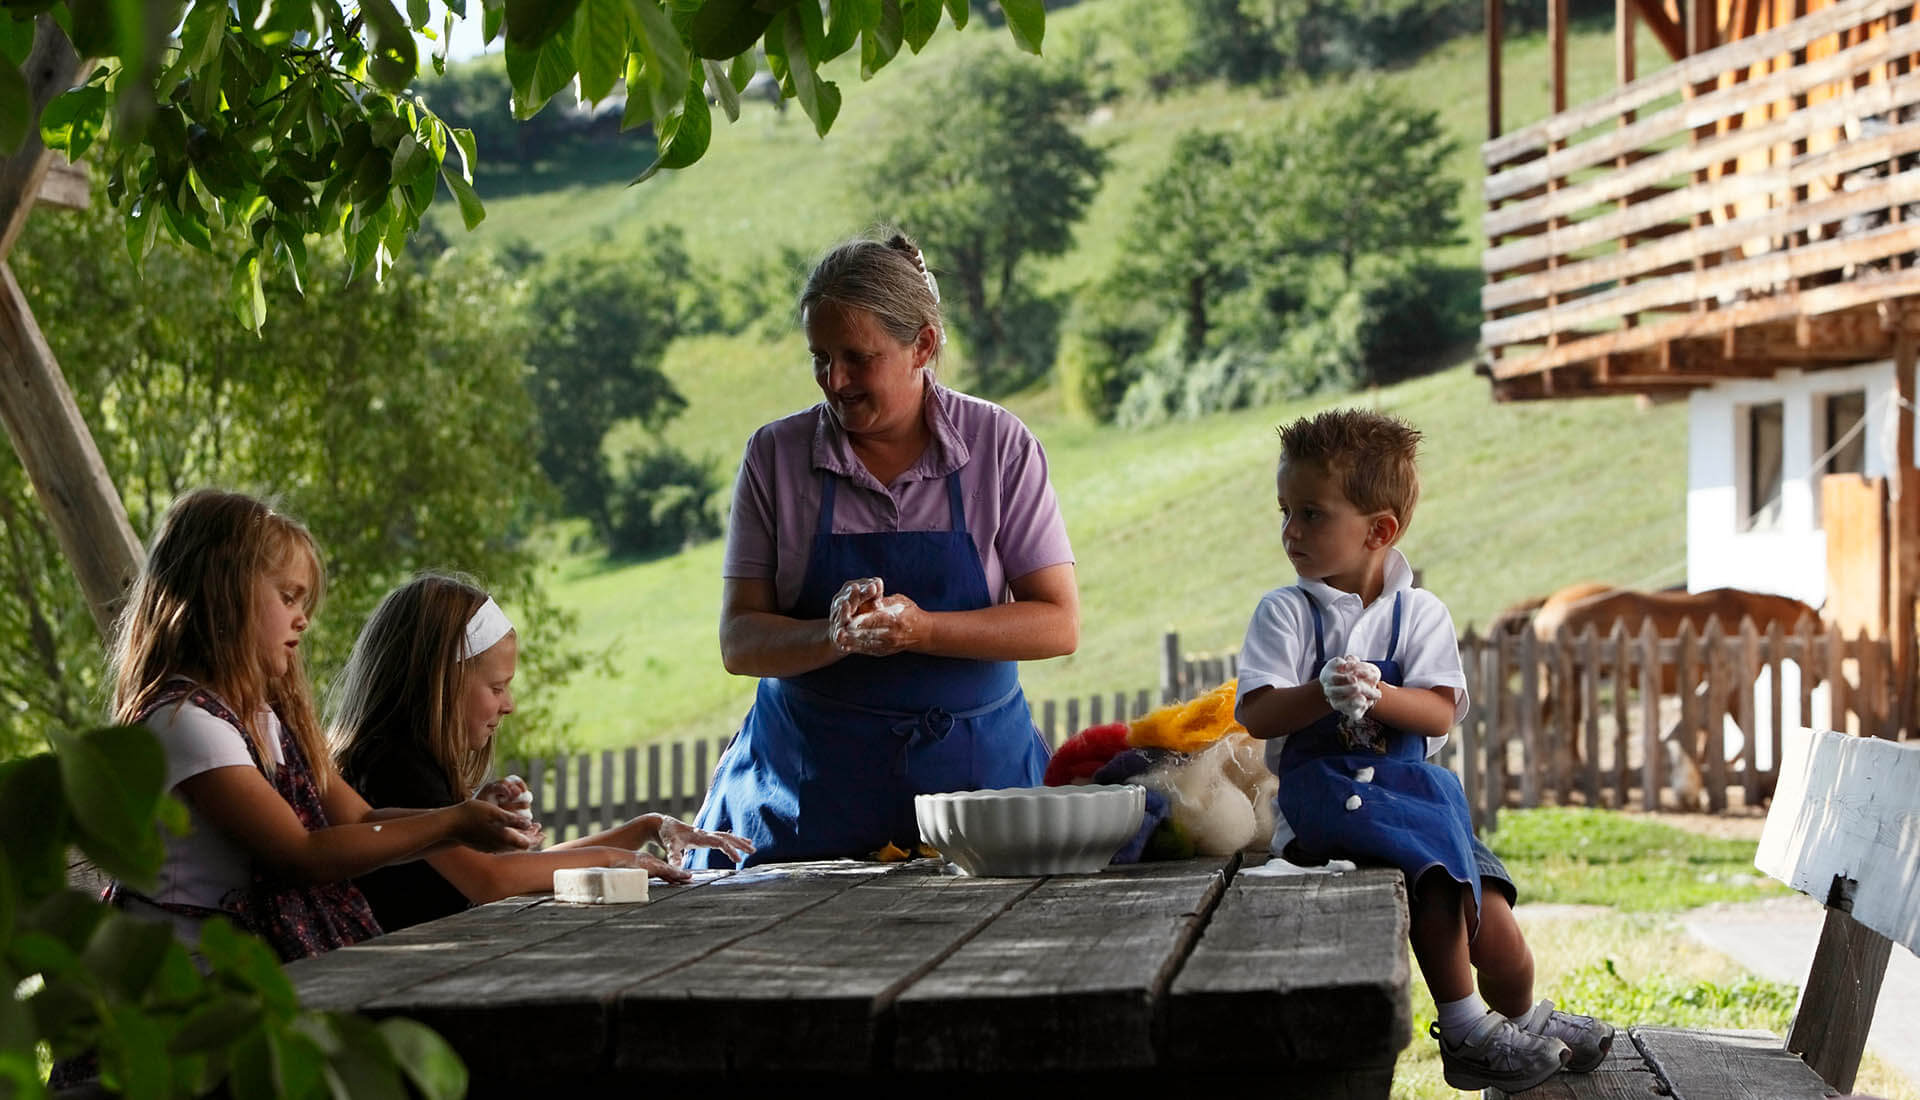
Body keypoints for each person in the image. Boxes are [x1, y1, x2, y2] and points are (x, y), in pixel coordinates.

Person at [1232, 410, 1614, 1093]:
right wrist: (1323, 692)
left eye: (1312, 514)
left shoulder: (1420, 613)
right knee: (1434, 881)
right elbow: (1256, 712)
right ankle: (1465, 1029)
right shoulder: (1286, 613)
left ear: (1379, 531)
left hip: (1415, 792)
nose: (1290, 531)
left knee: (1499, 935)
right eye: (1284, 511)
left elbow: (1438, 709)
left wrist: (1377, 694)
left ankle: (1524, 1018)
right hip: (1329, 802)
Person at [689, 229, 1079, 868]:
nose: (833, 380)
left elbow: (1058, 623)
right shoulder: (775, 457)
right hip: (801, 807)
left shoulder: (1000, 445)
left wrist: (920, 629)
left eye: (856, 358)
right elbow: (740, 642)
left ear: (921, 344)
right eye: (820, 357)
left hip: (979, 804)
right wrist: (834, 636)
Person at [106, 489, 539, 962]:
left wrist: (464, 821)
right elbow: (301, 856)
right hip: (194, 987)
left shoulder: (261, 721)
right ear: (222, 595)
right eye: (288, 597)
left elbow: (360, 821)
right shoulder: (187, 724)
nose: (303, 619)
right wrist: (452, 821)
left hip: (252, 970)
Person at [331, 573, 754, 931]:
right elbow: (491, 881)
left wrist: (643, 829)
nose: (509, 704)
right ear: (439, 683)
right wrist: (615, 858)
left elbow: (525, 871)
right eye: (496, 688)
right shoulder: (394, 764)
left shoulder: (411, 760)